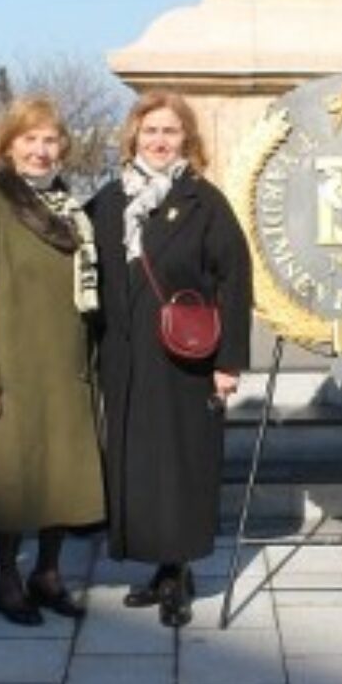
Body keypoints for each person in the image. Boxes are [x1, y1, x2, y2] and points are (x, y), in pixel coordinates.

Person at [89, 92, 253, 628]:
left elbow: (235, 281)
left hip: (185, 359)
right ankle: (158, 566)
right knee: (138, 466)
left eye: (171, 131)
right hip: (125, 357)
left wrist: (228, 362)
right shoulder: (110, 201)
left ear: (187, 140)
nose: (159, 141)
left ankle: (180, 571)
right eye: (150, 130)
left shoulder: (205, 202)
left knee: (181, 464)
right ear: (133, 136)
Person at [0, 97, 103, 627]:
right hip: (11, 370)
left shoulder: (66, 205)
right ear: (7, 144)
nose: (40, 150)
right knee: (11, 481)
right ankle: (8, 575)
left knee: (60, 476)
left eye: (50, 140)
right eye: (29, 139)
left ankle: (49, 573)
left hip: (64, 368)